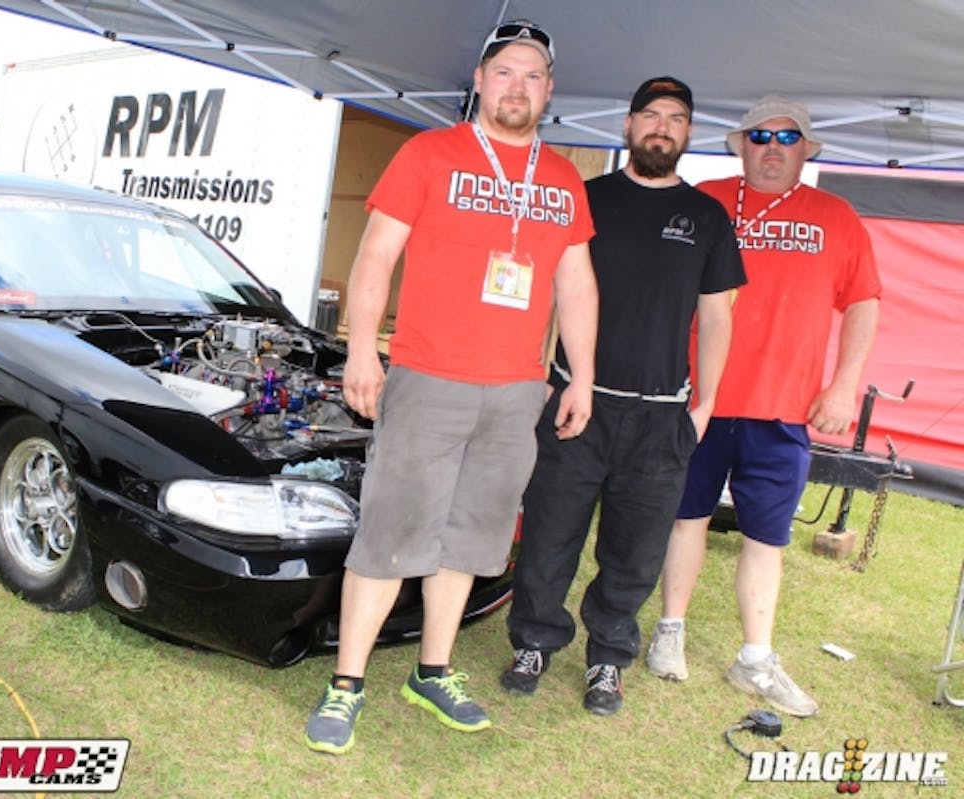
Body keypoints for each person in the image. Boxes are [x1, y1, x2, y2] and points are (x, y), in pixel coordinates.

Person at [303, 19, 599, 755]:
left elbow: (577, 284)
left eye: (532, 75)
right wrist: (364, 351)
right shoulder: (430, 154)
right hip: (429, 376)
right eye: (504, 72)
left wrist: (581, 376)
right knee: (392, 530)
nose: (517, 86)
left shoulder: (562, 178)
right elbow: (375, 256)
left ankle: (433, 670)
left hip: (515, 391)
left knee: (471, 537)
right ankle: (346, 683)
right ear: (478, 80)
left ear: (549, 91)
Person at [499, 77, 745, 715]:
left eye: (677, 118)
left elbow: (718, 317)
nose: (662, 127)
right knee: (551, 533)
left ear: (688, 134)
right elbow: (545, 291)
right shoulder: (586, 199)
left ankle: (608, 658)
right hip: (577, 403)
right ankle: (534, 640)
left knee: (635, 549)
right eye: (651, 115)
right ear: (629, 126)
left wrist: (706, 404)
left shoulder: (709, 218)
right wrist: (538, 375)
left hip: (664, 418)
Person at [646, 95, 882, 717]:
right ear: (740, 144)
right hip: (700, 401)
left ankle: (754, 657)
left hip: (783, 409)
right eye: (760, 135)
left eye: (787, 136)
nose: (772, 146)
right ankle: (669, 633)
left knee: (766, 537)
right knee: (686, 519)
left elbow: (863, 303)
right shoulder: (704, 203)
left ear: (805, 149)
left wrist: (843, 385)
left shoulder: (836, 215)